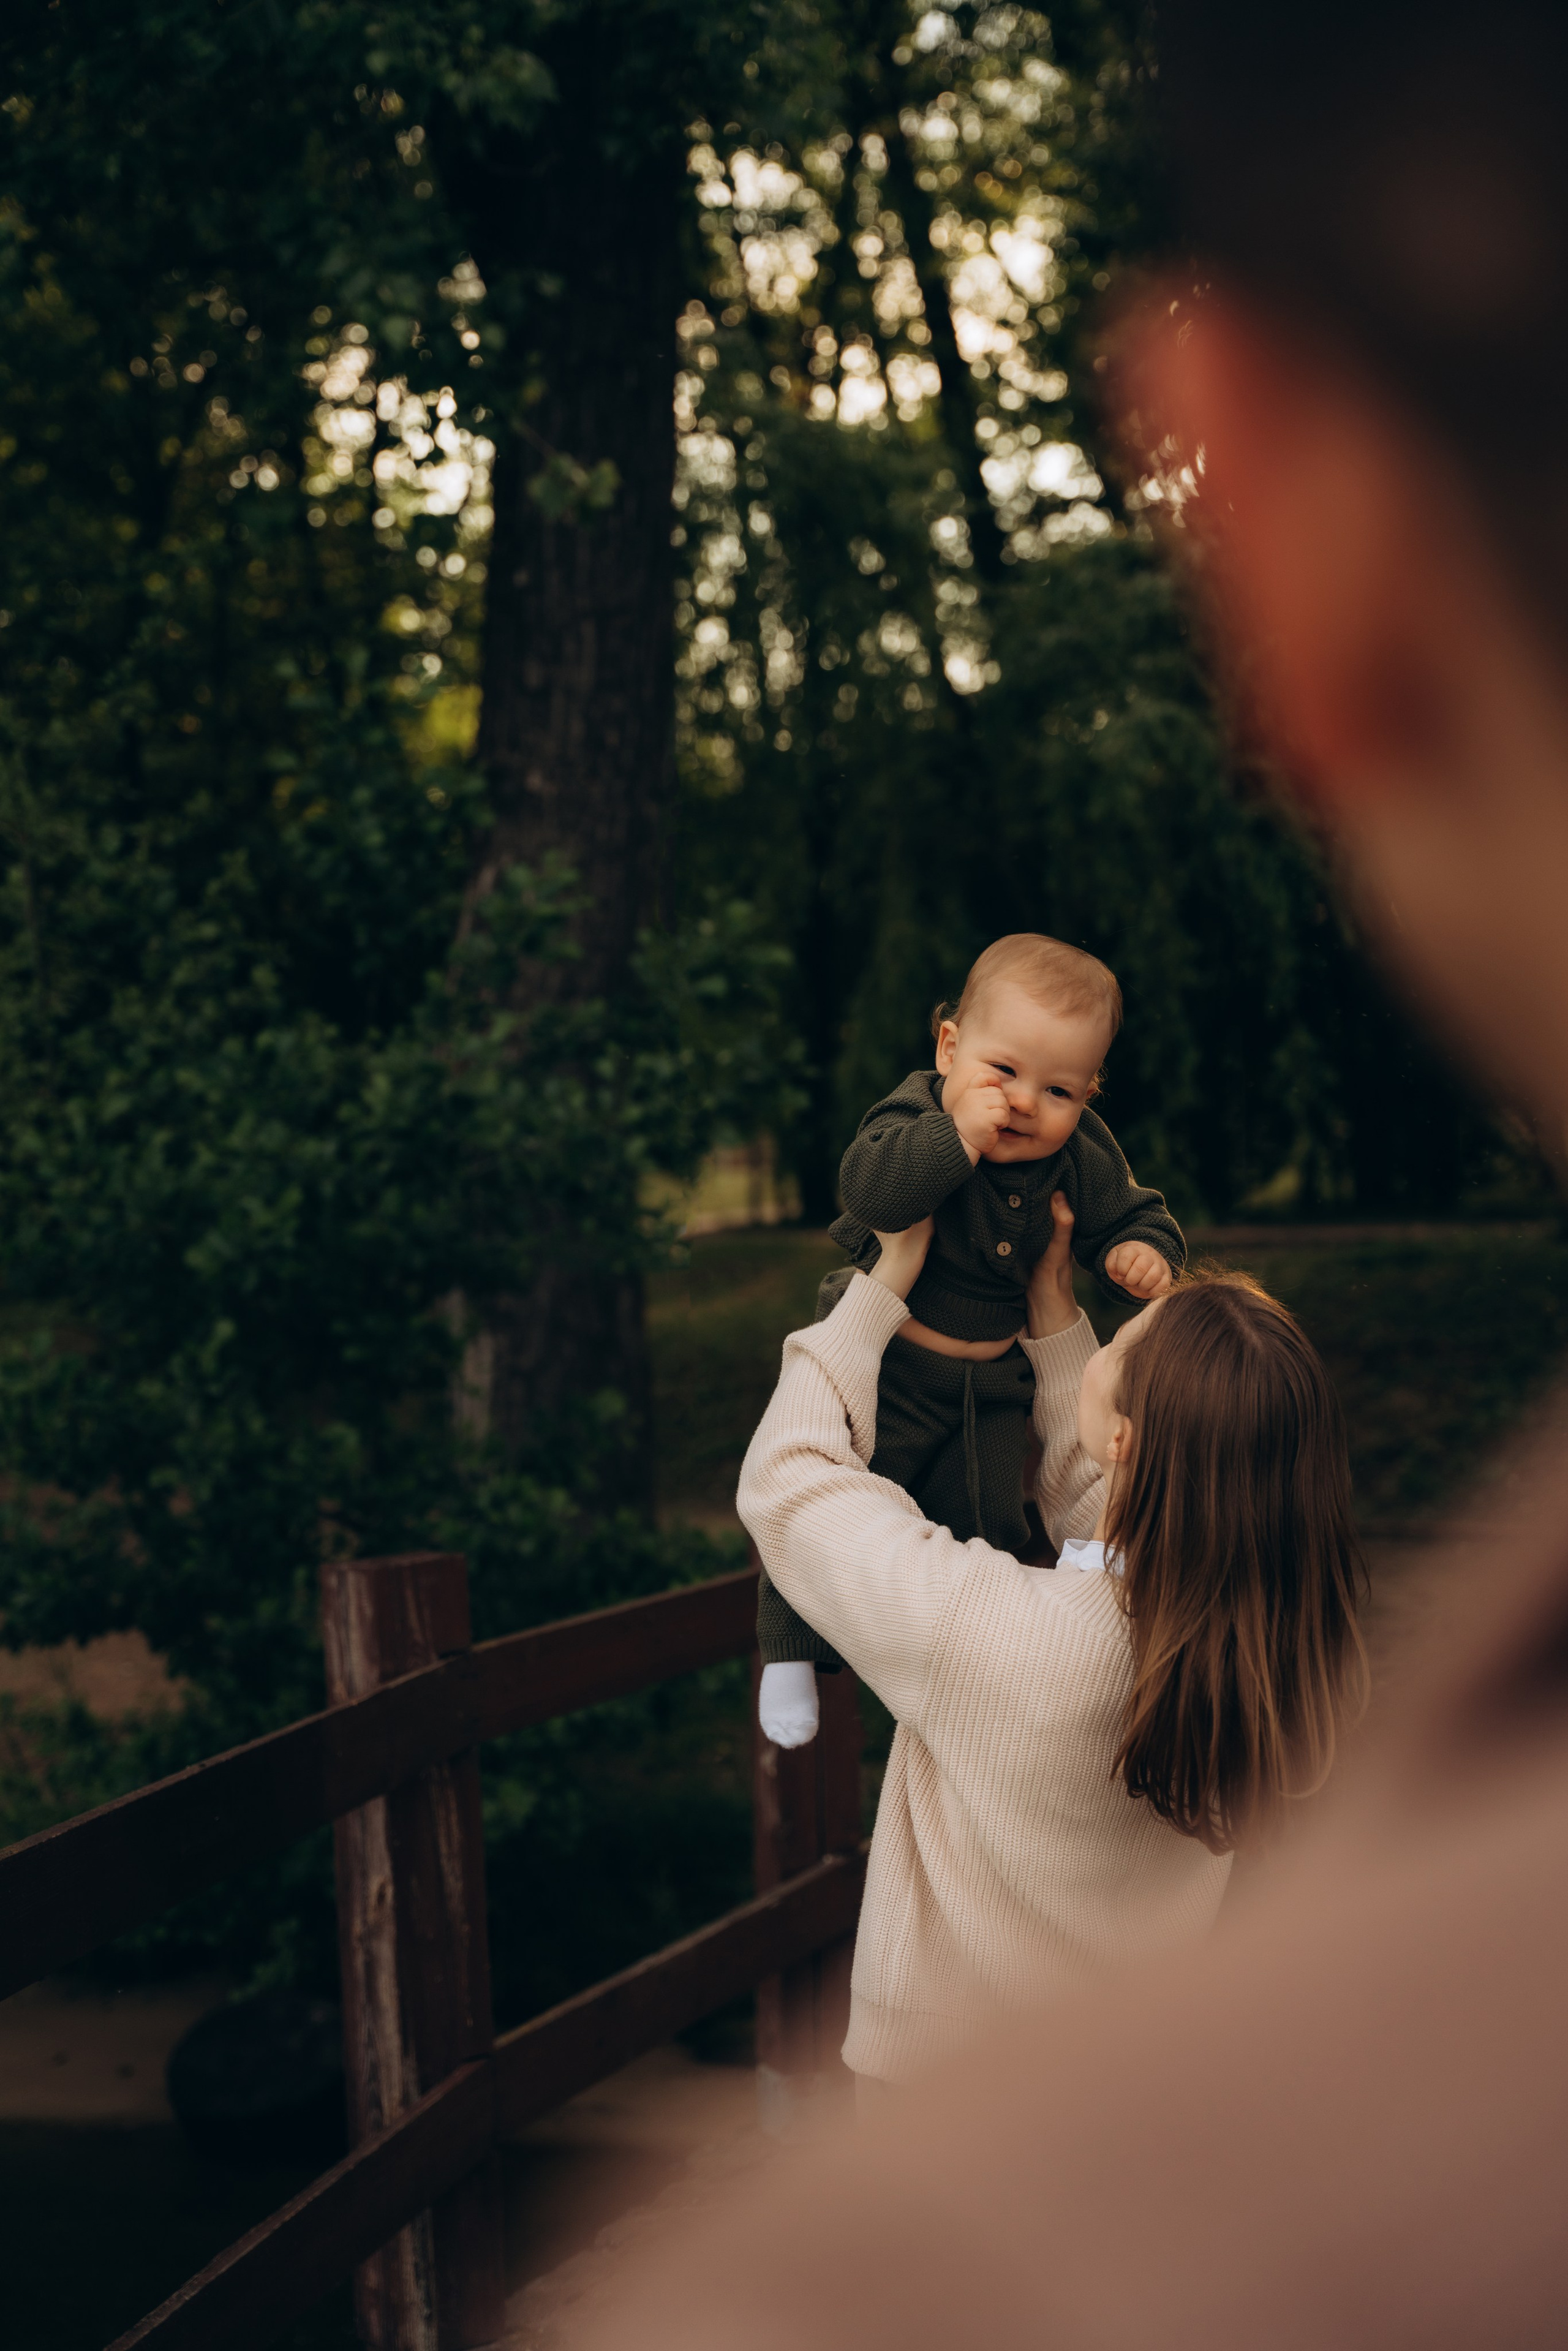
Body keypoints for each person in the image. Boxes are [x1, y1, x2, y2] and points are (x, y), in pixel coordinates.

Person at [741, 1193, 1362, 2092]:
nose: (1107, 1340)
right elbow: (1111, 1507)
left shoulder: (998, 1632)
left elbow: (789, 1484)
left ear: (1124, 1435)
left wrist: (876, 1294)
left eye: (1122, 1339)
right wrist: (1055, 1309)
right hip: (1127, 2086)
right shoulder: (1260, 1652)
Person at [756, 933, 1185, 1749]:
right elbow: (872, 1189)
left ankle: (959, 1674)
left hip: (992, 1380)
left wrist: (1142, 1251)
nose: (1022, 1102)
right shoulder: (916, 1114)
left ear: (1090, 1094)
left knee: (984, 1521)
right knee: (840, 1488)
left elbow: (1133, 1211)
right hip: (891, 1359)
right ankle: (791, 1648)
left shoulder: (1079, 1152)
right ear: (950, 1048)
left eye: (1058, 1088)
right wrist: (958, 1139)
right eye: (1003, 1071)